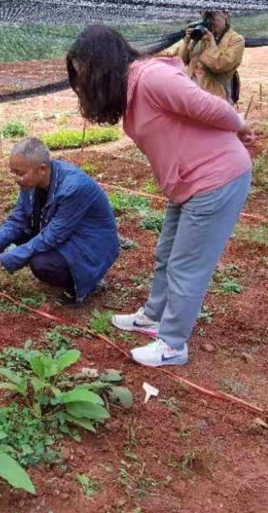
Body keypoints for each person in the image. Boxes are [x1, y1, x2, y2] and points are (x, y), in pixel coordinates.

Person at [67, 25, 255, 367]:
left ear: (103, 65)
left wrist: (239, 127)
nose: (84, 85)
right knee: (167, 254)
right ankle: (153, 317)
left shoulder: (151, 78)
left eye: (86, 75)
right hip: (188, 182)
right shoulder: (130, 91)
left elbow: (207, 104)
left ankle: (172, 344)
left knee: (187, 266)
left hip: (217, 178)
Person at [0, 137, 119, 307]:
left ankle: (88, 282)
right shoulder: (31, 182)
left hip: (91, 243)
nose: (15, 178)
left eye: (19, 173)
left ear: (41, 169)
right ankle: (66, 267)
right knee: (22, 234)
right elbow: (18, 218)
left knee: (42, 264)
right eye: (13, 172)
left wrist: (3, 260)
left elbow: (52, 237)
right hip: (63, 231)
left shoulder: (74, 187)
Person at [160, 10, 244, 104]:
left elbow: (219, 65)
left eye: (213, 17)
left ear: (225, 14)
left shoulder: (236, 40)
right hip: (190, 93)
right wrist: (187, 40)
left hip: (216, 97)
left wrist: (211, 41)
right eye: (206, 18)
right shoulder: (199, 35)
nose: (209, 22)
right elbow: (180, 62)